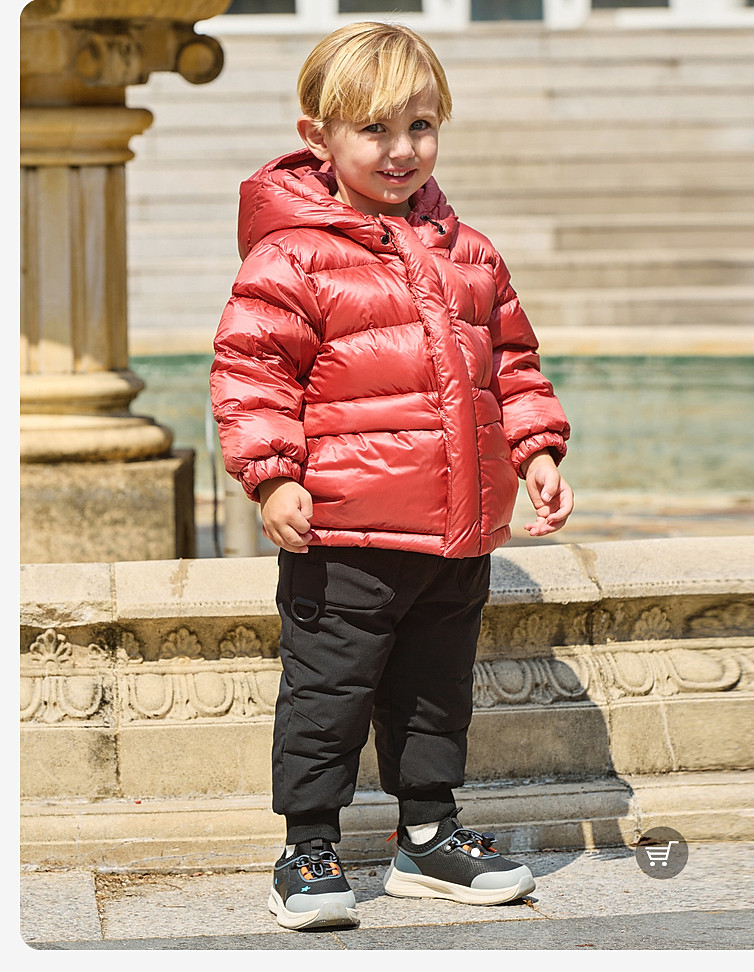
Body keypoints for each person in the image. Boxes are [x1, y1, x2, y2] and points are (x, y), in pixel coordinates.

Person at [210, 21, 573, 932]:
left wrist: (536, 451)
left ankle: (429, 837)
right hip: (345, 531)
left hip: (456, 530)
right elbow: (253, 374)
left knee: (436, 690)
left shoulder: (470, 252)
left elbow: (513, 365)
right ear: (318, 135)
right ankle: (307, 849)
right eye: (374, 129)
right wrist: (272, 478)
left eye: (420, 126)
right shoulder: (292, 257)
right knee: (326, 692)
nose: (401, 149)